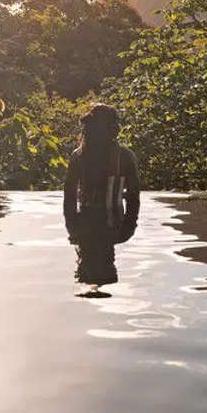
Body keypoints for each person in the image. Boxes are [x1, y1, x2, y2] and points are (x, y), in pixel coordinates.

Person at [63, 104, 140, 291]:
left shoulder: (78, 156)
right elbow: (133, 198)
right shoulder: (125, 156)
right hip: (110, 220)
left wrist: (72, 225)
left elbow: (69, 197)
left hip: (87, 222)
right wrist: (129, 226)